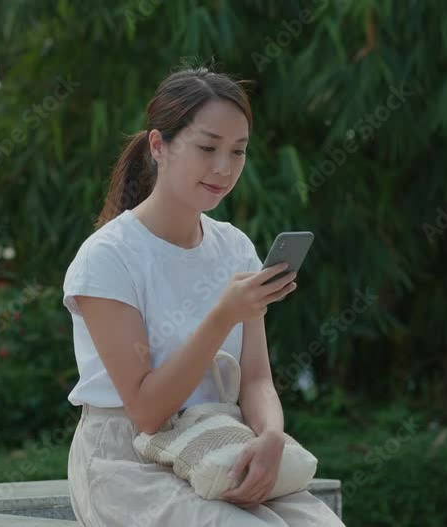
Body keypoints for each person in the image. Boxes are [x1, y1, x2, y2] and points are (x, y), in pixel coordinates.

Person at [61, 67, 345, 526]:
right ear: (159, 146)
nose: (224, 168)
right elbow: (147, 411)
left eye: (238, 151)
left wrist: (271, 435)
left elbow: (255, 379)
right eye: (208, 148)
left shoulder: (235, 248)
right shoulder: (107, 258)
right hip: (128, 463)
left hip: (218, 444)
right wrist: (222, 317)